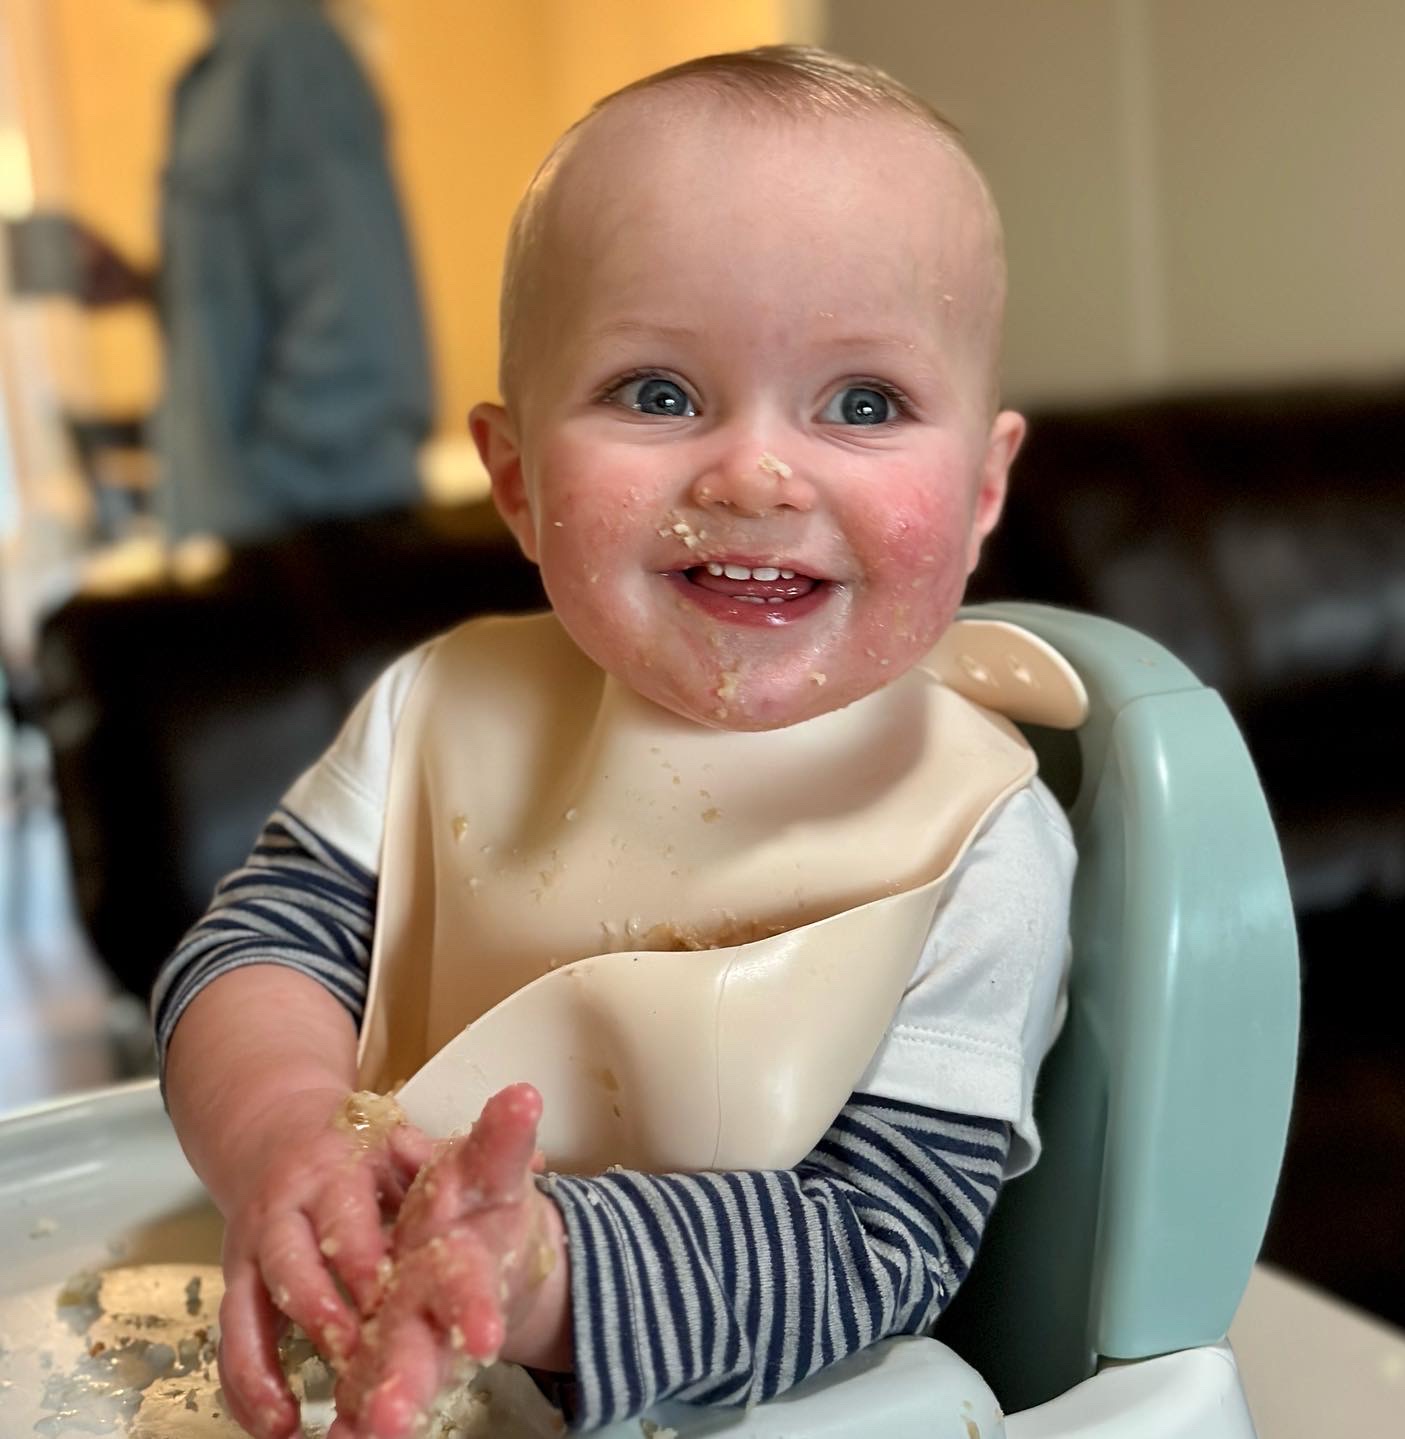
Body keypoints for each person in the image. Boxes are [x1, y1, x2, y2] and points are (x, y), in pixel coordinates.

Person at [152, 45, 1076, 1439]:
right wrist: (284, 1131)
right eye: (658, 392)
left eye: (864, 403)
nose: (758, 472)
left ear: (986, 483)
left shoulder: (978, 833)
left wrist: (538, 1273)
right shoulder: (437, 711)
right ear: (516, 477)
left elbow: (884, 1235)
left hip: (724, 1391)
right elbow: (253, 949)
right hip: (354, 1310)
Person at [11, 0, 432, 542]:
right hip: (260, 527)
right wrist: (151, 287)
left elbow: (355, 307)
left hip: (304, 533)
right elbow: (278, 292)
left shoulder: (290, 51)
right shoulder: (229, 68)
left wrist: (257, 487)